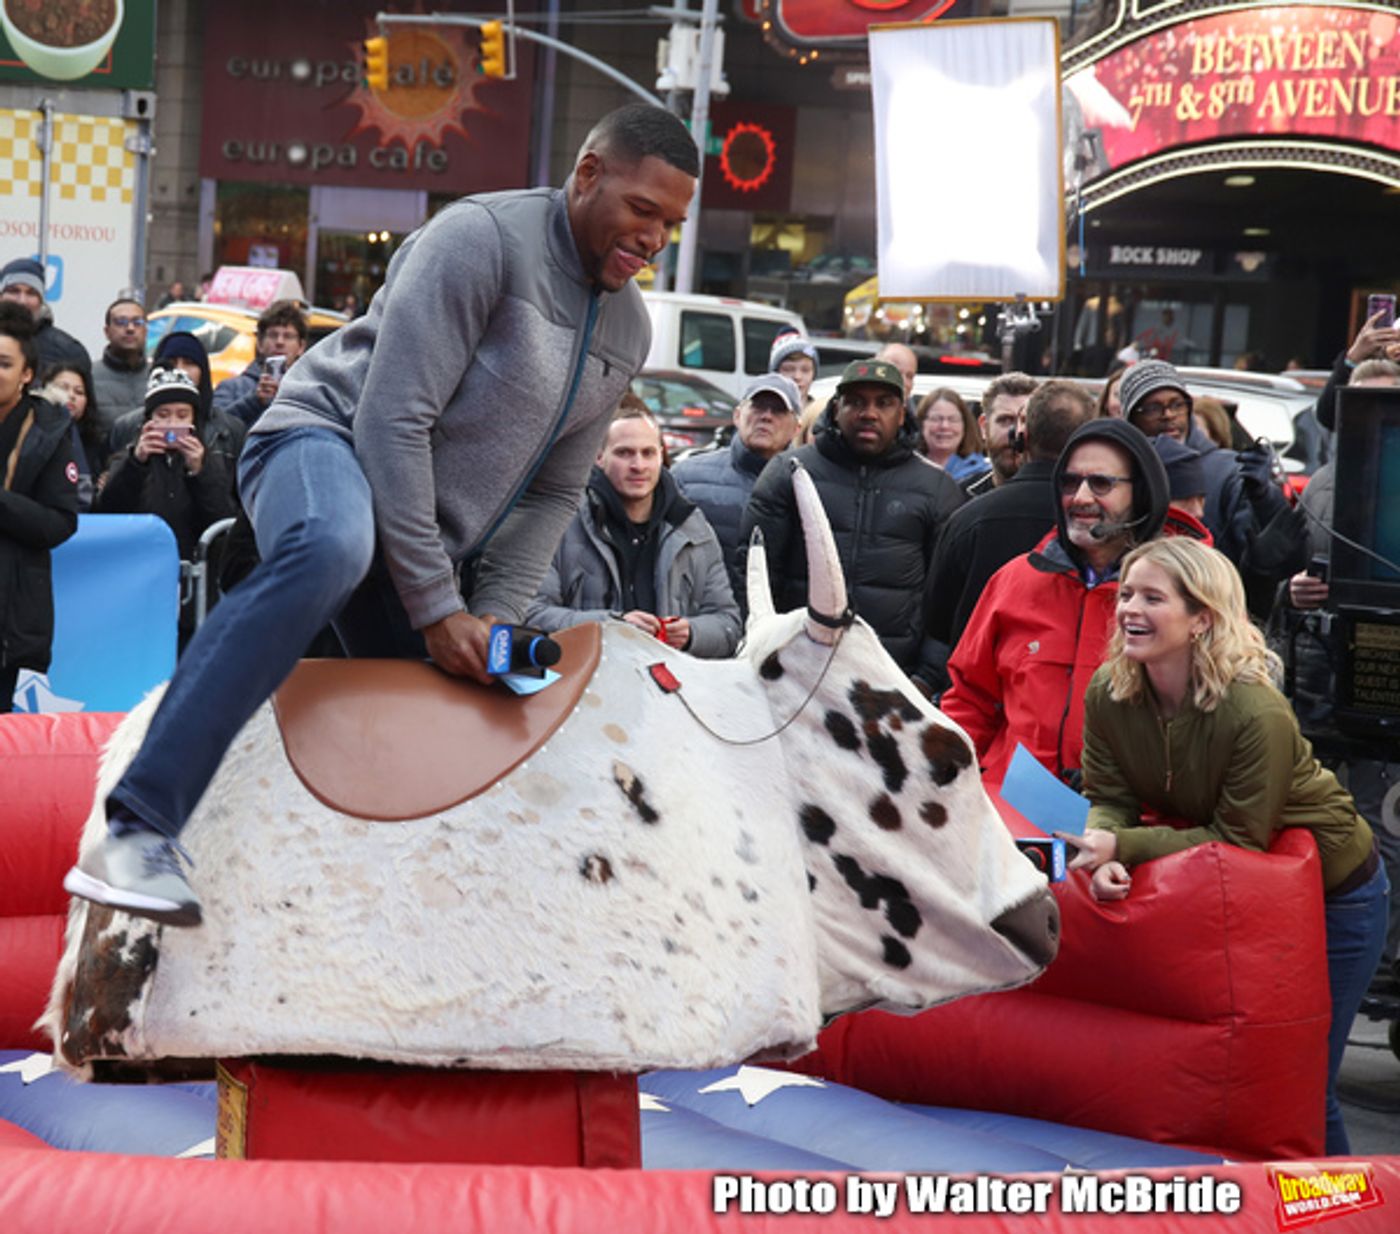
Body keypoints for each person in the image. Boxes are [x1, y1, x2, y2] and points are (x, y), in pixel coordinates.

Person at [64, 103, 699, 927]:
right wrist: (439, 609)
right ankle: (138, 826)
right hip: (325, 442)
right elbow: (391, 421)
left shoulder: (628, 325)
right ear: (587, 175)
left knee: (495, 693)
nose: (653, 238)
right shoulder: (481, 240)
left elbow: (548, 494)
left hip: (415, 536)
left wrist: (493, 619)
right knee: (333, 544)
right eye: (642, 210)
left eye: (671, 225)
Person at [1065, 537, 1387, 1156]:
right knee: (1237, 1081)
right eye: (1127, 593)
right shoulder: (1109, 691)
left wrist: (1123, 845)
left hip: (1335, 895)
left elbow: (1237, 838)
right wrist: (1105, 853)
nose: (1130, 607)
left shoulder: (1252, 710)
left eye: (1153, 598)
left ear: (1201, 618)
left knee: (1303, 1084)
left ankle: (1344, 1217)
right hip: (1226, 886)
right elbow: (1109, 797)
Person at [940, 419, 1169, 786]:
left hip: (1130, 822)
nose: (1080, 498)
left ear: (1141, 492)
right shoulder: (1015, 581)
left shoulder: (1183, 591)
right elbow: (970, 700)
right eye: (1069, 482)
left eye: (1101, 483)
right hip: (1012, 809)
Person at [738, 357, 965, 693]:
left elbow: (949, 597)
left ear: (902, 414)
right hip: (795, 675)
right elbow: (754, 576)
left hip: (894, 681)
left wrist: (927, 677)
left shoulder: (937, 489)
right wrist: (770, 657)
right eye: (856, 402)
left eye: (884, 403)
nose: (869, 413)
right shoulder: (788, 472)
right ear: (835, 409)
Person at [527, 401, 739, 659]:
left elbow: (728, 624)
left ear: (662, 455)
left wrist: (692, 634)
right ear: (598, 456)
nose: (638, 465)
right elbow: (530, 614)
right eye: (624, 453)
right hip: (587, 684)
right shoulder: (562, 523)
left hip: (670, 687)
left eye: (648, 453)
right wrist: (612, 627)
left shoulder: (693, 527)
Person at [925, 379, 1095, 653]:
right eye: (1001, 419)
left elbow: (937, 622)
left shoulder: (966, 520)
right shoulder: (1101, 521)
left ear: (1022, 436)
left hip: (978, 683)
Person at [95, 368, 238, 637]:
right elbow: (108, 510)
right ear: (148, 420)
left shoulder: (210, 461)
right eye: (163, 415)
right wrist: (136, 462)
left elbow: (221, 522)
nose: (172, 423)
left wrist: (200, 471)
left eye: (182, 415)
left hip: (193, 594)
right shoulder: (128, 460)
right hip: (138, 588)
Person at [0, 303, 79, 711]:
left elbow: (60, 523)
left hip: (12, 621)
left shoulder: (48, 432)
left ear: (26, 375)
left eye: (3, 363)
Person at [671, 372, 801, 591]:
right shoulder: (685, 478)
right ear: (737, 415)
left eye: (778, 410)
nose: (766, 416)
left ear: (796, 428)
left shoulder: (811, 486)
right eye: (758, 407)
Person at [213, 300, 309, 428]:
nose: (280, 342)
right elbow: (214, 428)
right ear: (259, 344)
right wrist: (254, 401)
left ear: (301, 347)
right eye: (273, 335)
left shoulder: (309, 391)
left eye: (288, 336)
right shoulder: (232, 388)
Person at [0, 257, 90, 375]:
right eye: (13, 291)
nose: (22, 301)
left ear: (41, 301)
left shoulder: (67, 350)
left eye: (31, 293)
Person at [39, 362, 103, 510]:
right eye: (63, 388)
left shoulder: (94, 443)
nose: (71, 396)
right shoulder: (33, 436)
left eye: (79, 392)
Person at [964, 372, 1037, 497]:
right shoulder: (960, 498)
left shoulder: (1064, 498)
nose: (1015, 432)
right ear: (984, 427)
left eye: (1026, 421)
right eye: (1006, 420)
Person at [90, 297, 150, 436]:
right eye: (121, 322)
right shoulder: (90, 377)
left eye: (137, 322)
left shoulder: (157, 377)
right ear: (107, 331)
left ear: (145, 331)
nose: (130, 328)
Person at [915, 387, 988, 484]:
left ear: (965, 425)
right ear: (921, 423)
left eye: (953, 419)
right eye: (936, 419)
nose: (945, 426)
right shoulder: (905, 471)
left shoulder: (982, 475)